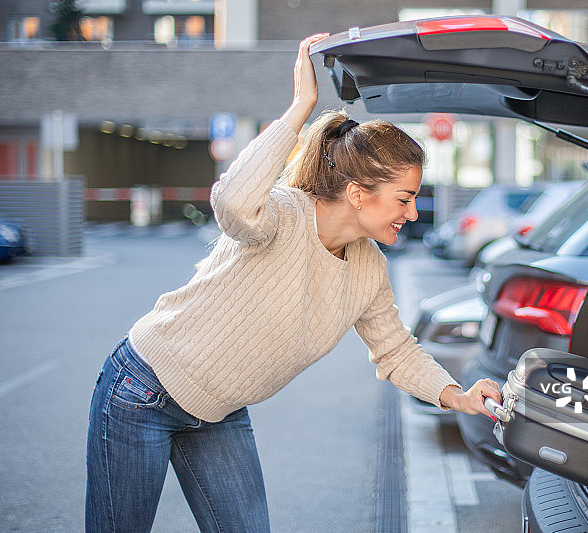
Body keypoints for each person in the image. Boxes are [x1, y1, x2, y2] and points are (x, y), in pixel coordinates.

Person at [85, 33, 502, 533]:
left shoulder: (369, 268)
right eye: (404, 198)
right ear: (357, 193)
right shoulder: (281, 213)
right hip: (143, 389)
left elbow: (396, 352)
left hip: (219, 411)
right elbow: (232, 202)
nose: (413, 213)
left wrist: (457, 395)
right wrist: (300, 108)